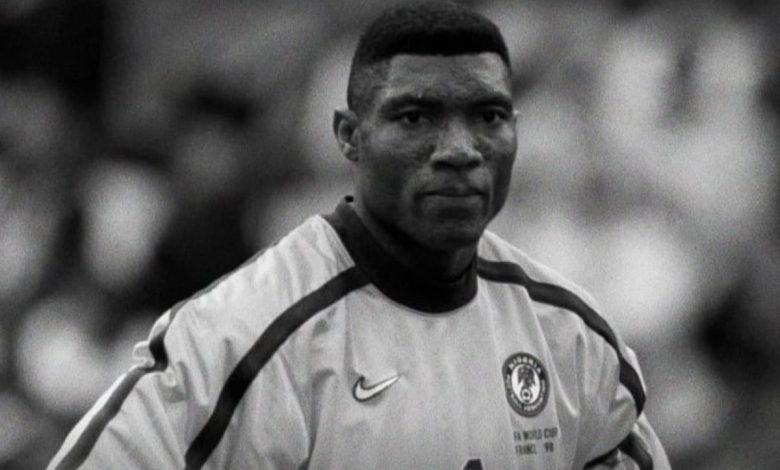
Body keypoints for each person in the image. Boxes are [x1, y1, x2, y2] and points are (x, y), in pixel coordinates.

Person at [48, 2, 671, 469]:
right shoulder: (240, 338)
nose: (460, 149)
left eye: (488, 116)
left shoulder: (573, 339)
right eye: (416, 116)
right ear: (349, 136)